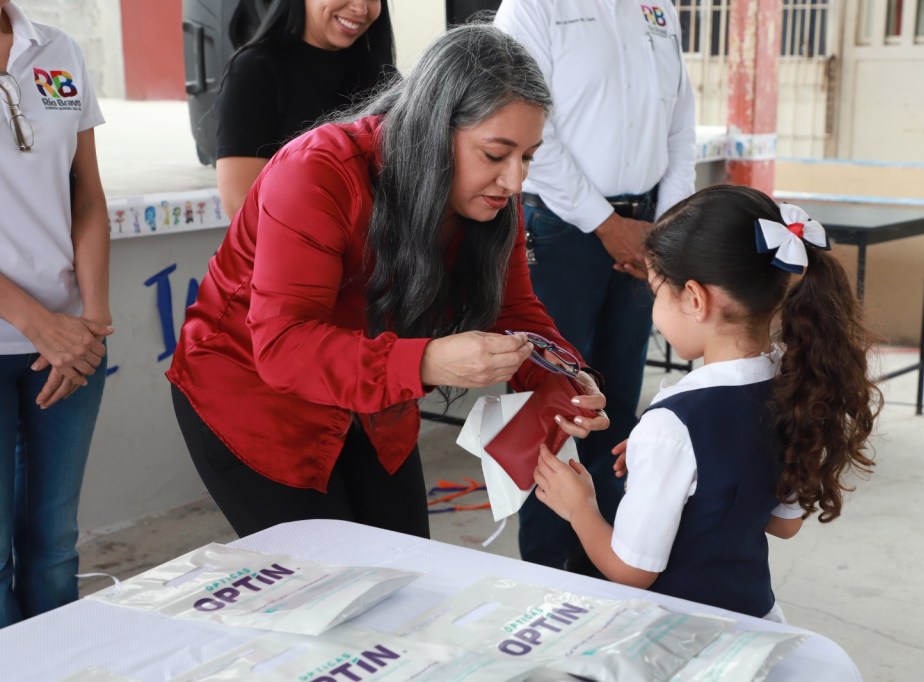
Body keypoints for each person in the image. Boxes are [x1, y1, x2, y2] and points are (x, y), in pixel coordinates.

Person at [167, 23, 610, 541]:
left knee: (409, 577)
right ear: (432, 128)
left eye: (528, 157)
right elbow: (283, 345)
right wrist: (425, 361)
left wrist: (563, 375)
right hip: (257, 404)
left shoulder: (493, 198)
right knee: (323, 591)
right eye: (495, 155)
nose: (514, 181)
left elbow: (514, 313)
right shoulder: (317, 171)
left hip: (377, 405)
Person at [534, 184, 882, 620]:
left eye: (658, 292)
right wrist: (688, 474)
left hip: (680, 636)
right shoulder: (794, 384)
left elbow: (631, 571)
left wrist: (579, 506)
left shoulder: (673, 425)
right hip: (755, 620)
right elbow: (784, 523)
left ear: (695, 300)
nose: (654, 309)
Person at [493, 0, 697, 574]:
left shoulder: (657, 8)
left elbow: (680, 123)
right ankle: (548, 569)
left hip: (646, 230)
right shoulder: (533, 8)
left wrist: (667, 225)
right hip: (561, 230)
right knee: (551, 411)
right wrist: (605, 224)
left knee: (619, 410)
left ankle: (612, 563)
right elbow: (527, 131)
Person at [0, 0, 112, 627]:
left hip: (71, 345)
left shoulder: (56, 50)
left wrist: (91, 324)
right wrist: (40, 324)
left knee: (53, 549)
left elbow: (87, 192)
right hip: (35, 334)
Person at [215, 0, 396, 218]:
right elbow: (241, 206)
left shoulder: (383, 78)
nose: (360, 8)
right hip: (291, 247)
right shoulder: (254, 71)